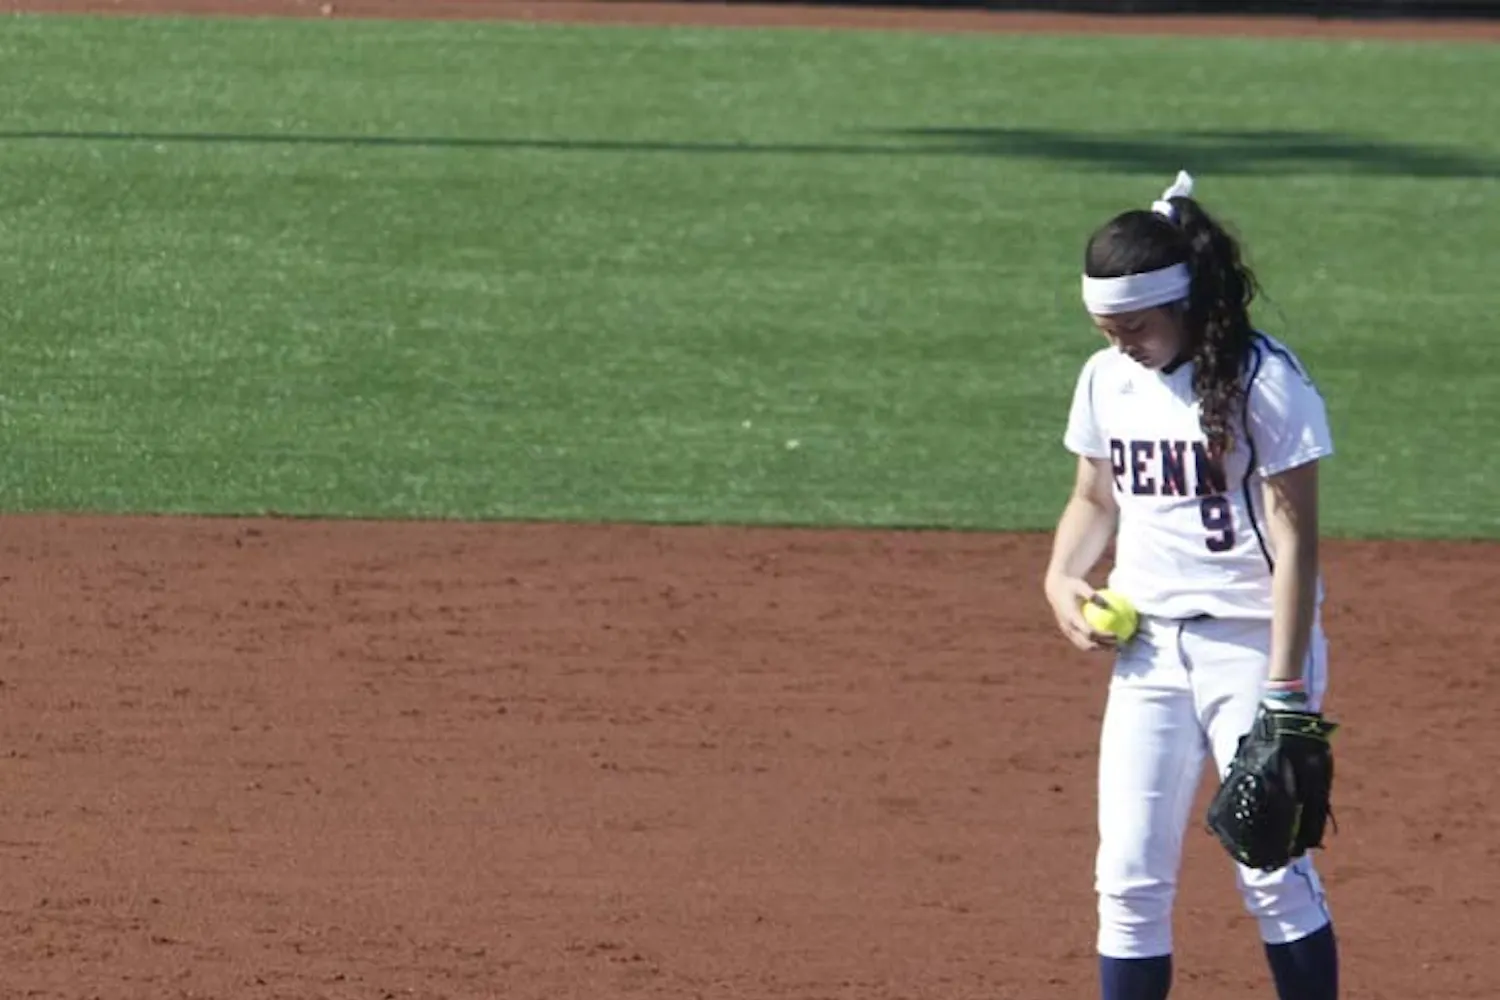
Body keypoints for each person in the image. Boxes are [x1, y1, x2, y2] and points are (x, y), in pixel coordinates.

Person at [1042, 170, 1340, 1000]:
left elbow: (1295, 540)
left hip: (1252, 647)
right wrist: (1061, 576)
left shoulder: (1264, 381)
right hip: (1147, 655)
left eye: (1134, 326)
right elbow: (1093, 497)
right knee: (1127, 880)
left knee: (1271, 871)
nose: (1121, 344)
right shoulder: (1106, 379)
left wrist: (1286, 689)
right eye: (1106, 329)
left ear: (1183, 303)